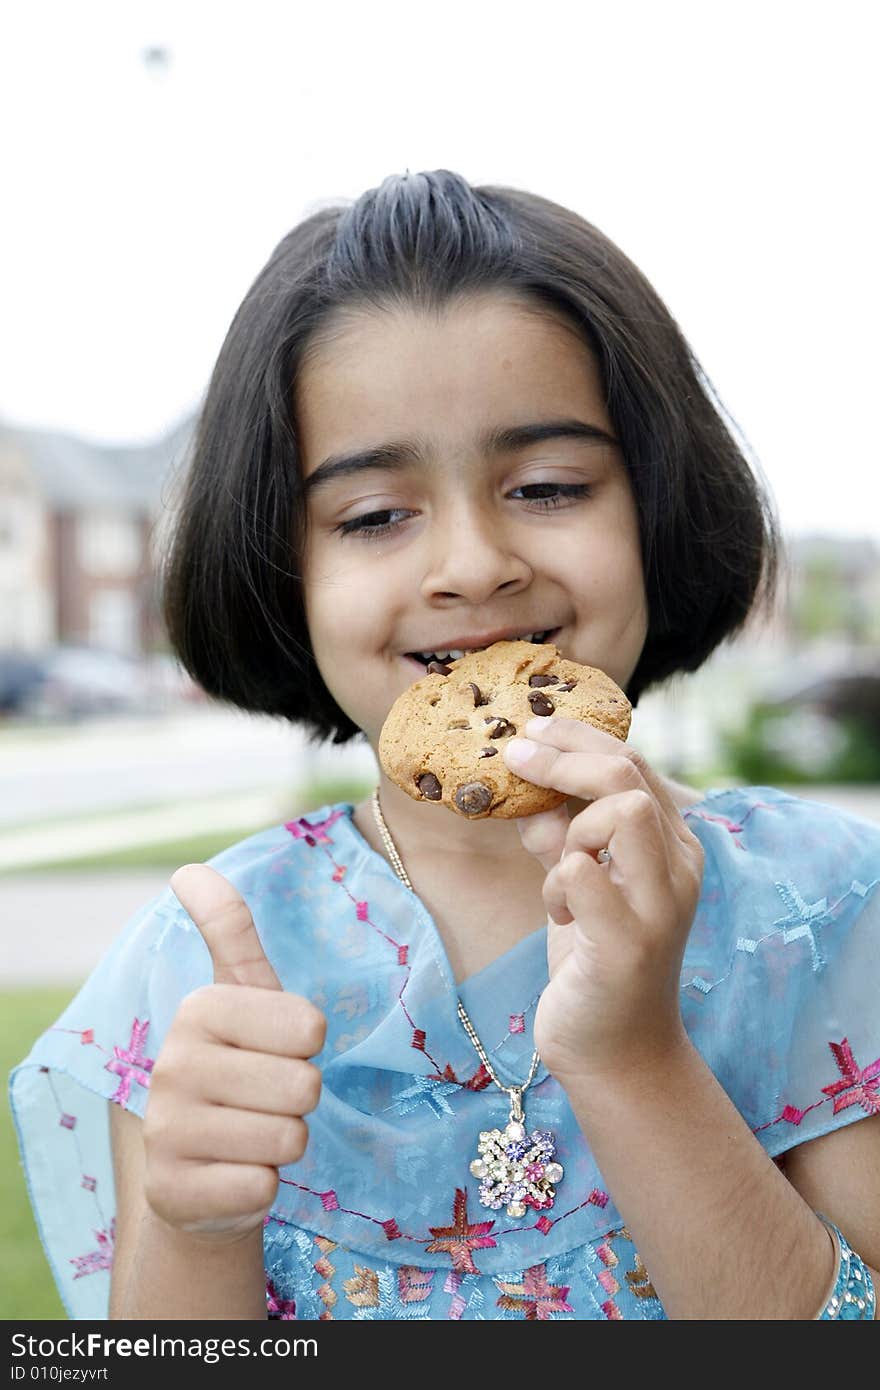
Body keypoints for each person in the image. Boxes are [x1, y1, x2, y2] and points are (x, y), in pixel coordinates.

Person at [11, 170, 879, 1322]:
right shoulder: (198, 970)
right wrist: (193, 1225)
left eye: (549, 485)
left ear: (656, 503)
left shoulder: (820, 911)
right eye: (374, 514)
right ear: (285, 569)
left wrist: (633, 1059)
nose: (472, 563)